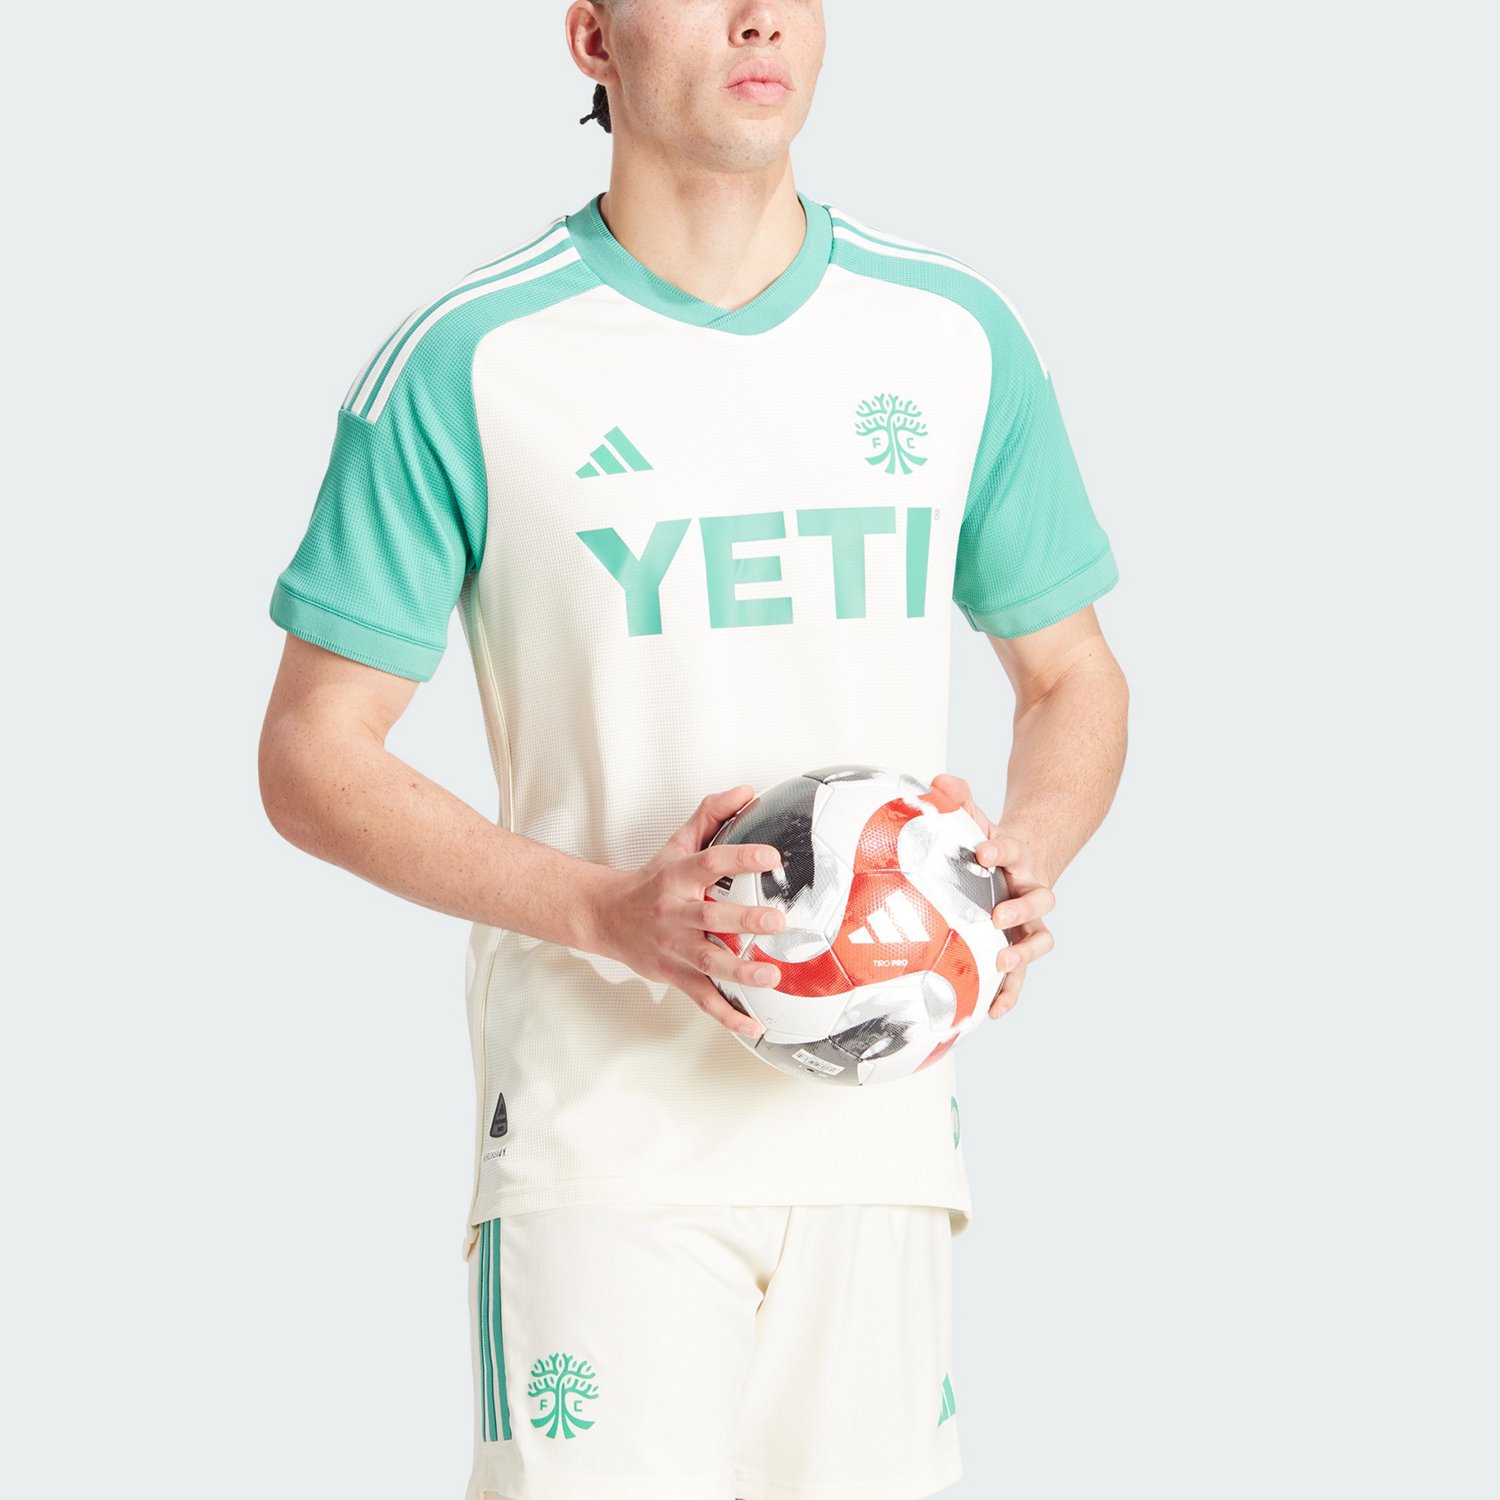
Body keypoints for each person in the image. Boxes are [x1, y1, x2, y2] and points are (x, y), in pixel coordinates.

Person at [258, 1, 1129, 1495]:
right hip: (603, 1144)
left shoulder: (952, 336)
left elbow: (1072, 678)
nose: (759, 14)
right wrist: (606, 911)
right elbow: (311, 754)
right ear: (593, 39)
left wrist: (1021, 859)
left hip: (880, 1134)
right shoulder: (472, 359)